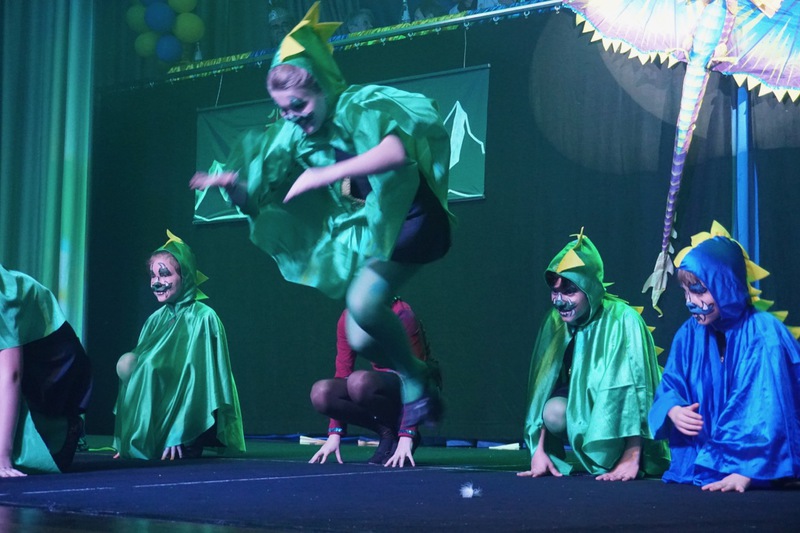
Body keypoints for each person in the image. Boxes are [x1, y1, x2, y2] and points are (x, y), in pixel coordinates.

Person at [189, 2, 453, 427]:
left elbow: (395, 153)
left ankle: (414, 380)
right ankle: (416, 378)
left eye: (298, 104)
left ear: (323, 87)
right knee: (358, 334)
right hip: (378, 227)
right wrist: (233, 187)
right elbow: (258, 195)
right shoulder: (295, 134)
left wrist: (322, 174)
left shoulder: (358, 106)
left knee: (362, 302)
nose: (292, 116)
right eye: (283, 108)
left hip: (412, 219)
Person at [649, 223, 800, 492]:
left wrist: (747, 469)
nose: (690, 301)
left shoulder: (764, 333)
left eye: (699, 290)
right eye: (685, 291)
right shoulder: (689, 333)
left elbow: (765, 407)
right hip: (708, 463)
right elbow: (671, 383)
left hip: (761, 465)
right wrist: (673, 409)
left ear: (726, 285)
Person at [518, 229, 669, 481]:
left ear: (590, 289)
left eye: (569, 291)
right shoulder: (555, 322)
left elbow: (638, 389)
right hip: (584, 404)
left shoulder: (623, 319)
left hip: (619, 408)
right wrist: (539, 450)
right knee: (553, 411)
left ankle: (624, 453)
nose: (559, 301)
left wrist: (632, 456)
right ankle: (600, 453)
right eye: (554, 291)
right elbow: (543, 387)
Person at [113, 231, 246, 460]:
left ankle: (183, 438)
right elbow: (142, 379)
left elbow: (200, 380)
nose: (157, 282)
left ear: (185, 276)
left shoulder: (203, 317)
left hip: (195, 416)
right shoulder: (155, 320)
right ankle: (148, 436)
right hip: (163, 411)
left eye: (165, 274)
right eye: (153, 275)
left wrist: (179, 433)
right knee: (129, 363)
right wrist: (129, 438)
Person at [309, 298, 440, 467]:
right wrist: (334, 434)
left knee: (359, 383)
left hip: (420, 386)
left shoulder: (402, 312)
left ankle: (401, 433)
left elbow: (415, 375)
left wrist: (407, 435)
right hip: (382, 385)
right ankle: (387, 432)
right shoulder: (348, 317)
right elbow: (342, 373)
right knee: (321, 393)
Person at [0, 264, 92, 477]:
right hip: (28, 357)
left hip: (53, 364)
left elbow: (10, 374)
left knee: (29, 457)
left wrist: (2, 458)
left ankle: (63, 428)